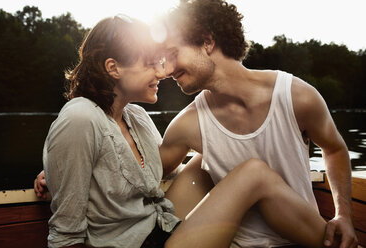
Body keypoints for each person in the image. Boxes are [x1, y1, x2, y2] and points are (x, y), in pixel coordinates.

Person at [34, 13, 330, 248]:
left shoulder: (135, 117)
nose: (163, 72)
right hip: (135, 243)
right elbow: (65, 236)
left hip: (158, 225)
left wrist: (63, 173)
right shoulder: (80, 118)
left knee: (208, 160)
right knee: (252, 173)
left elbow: (152, 175)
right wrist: (64, 174)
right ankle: (339, 243)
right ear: (113, 68)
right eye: (151, 64)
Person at [157, 0, 358, 247]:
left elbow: (335, 149)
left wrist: (343, 215)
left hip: (300, 238)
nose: (167, 70)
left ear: (207, 42)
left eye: (173, 54)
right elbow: (148, 173)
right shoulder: (188, 125)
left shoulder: (295, 97)